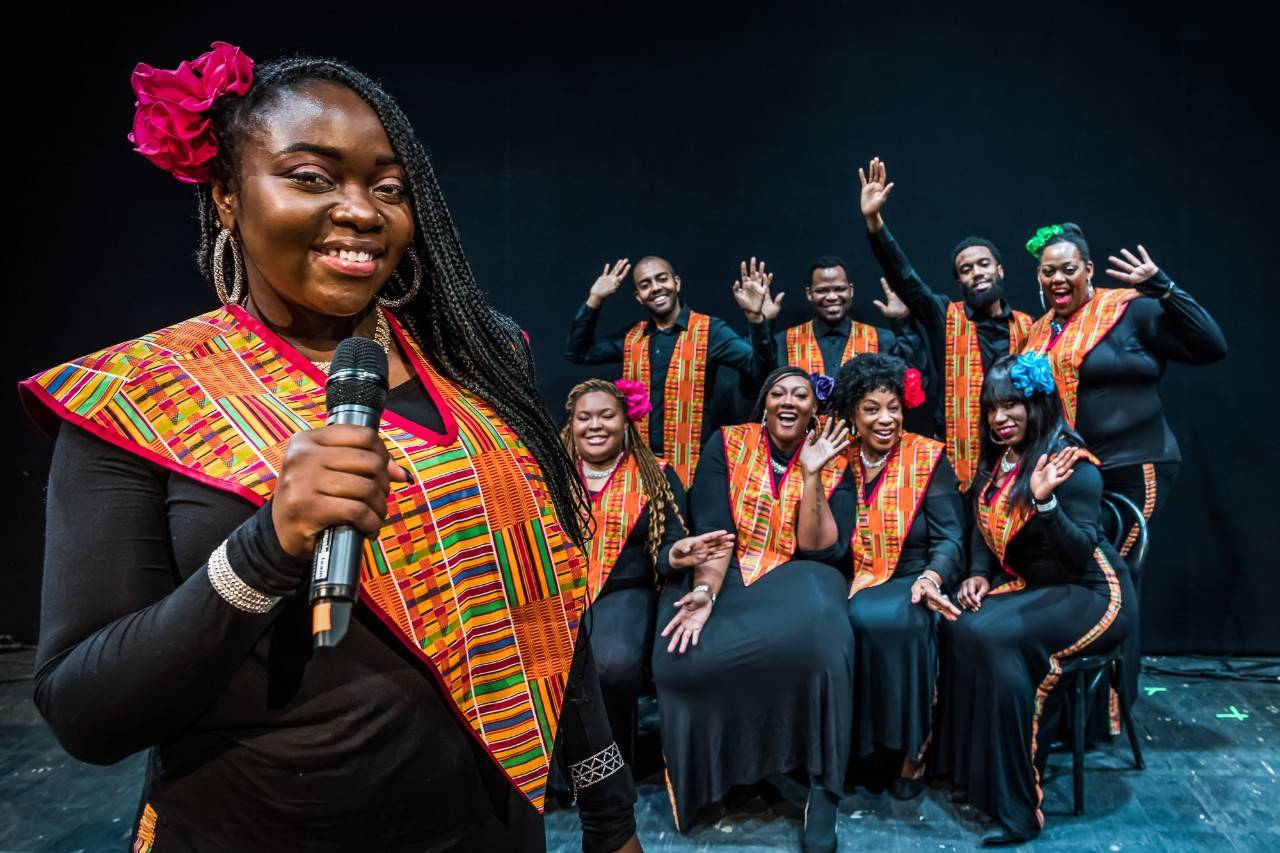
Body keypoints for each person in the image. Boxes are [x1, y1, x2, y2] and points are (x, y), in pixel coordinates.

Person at [20, 45, 638, 853]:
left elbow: (552, 614)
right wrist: (263, 549)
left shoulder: (480, 363)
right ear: (228, 199)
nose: (361, 210)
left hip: (488, 831)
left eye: (388, 187)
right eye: (310, 176)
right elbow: (85, 712)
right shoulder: (140, 396)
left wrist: (609, 812)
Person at [651, 366, 855, 853]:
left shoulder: (836, 456)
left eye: (800, 395)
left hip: (802, 573)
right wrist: (705, 595)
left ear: (813, 409)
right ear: (763, 404)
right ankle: (731, 775)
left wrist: (812, 473)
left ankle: (823, 791)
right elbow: (716, 534)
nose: (788, 401)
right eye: (777, 393)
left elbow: (820, 548)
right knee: (680, 658)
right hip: (730, 573)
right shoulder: (727, 444)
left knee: (826, 638)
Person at [1022, 222, 1226, 709]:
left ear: (1088, 270)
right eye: (1048, 272)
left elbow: (1211, 345)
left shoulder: (1127, 311)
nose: (1057, 279)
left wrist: (1163, 286)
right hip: (1077, 476)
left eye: (1068, 269)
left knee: (1112, 575)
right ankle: (1074, 704)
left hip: (1135, 469)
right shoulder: (1040, 330)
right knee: (1079, 575)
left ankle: (1111, 704)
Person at [933, 353, 1133, 846]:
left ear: (1037, 403)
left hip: (1093, 592)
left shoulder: (1069, 463)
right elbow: (984, 519)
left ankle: (1019, 806)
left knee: (999, 641)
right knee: (960, 622)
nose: (1000, 418)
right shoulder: (1001, 457)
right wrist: (979, 574)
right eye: (991, 408)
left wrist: (1045, 502)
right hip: (1041, 587)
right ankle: (974, 777)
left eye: (1011, 406)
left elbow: (1077, 553)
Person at [561, 378, 734, 760]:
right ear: (571, 424)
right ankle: (558, 773)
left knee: (612, 664)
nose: (595, 426)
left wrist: (678, 554)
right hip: (561, 590)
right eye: (584, 418)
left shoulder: (654, 474)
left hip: (626, 591)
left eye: (607, 416)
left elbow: (668, 545)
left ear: (626, 421)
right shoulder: (553, 475)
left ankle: (611, 766)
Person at [829, 354, 965, 801]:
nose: (885, 419)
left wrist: (931, 577)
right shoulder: (836, 459)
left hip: (911, 578)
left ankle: (912, 749)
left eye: (893, 408)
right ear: (852, 413)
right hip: (850, 579)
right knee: (831, 628)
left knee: (895, 624)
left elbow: (950, 538)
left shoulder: (926, 457)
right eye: (871, 408)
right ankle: (851, 751)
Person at [858, 157, 1035, 492]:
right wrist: (875, 222)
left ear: (1000, 271)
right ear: (960, 282)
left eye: (984, 264)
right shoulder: (945, 315)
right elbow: (905, 277)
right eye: (966, 269)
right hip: (958, 458)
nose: (977, 272)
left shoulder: (1028, 326)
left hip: (1018, 454)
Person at [563, 255, 778, 486]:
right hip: (638, 467)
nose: (655, 288)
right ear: (639, 297)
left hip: (691, 469)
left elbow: (759, 370)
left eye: (661, 279)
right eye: (645, 285)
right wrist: (595, 299)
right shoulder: (632, 337)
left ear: (676, 283)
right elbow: (577, 352)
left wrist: (756, 320)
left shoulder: (709, 331)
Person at [776, 254, 922, 377]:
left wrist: (902, 320)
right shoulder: (785, 341)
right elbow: (758, 383)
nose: (832, 296)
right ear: (809, 294)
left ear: (850, 291)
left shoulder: (882, 339)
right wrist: (758, 322)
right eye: (822, 290)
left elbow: (914, 379)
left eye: (839, 289)